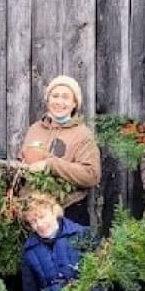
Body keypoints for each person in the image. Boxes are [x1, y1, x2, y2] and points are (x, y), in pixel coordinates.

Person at [20, 75, 102, 227]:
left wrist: (50, 165)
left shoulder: (82, 134)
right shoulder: (35, 129)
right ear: (48, 100)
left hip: (69, 214)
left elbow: (92, 175)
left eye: (65, 97)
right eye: (55, 96)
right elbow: (23, 161)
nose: (59, 102)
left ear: (74, 104)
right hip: (34, 214)